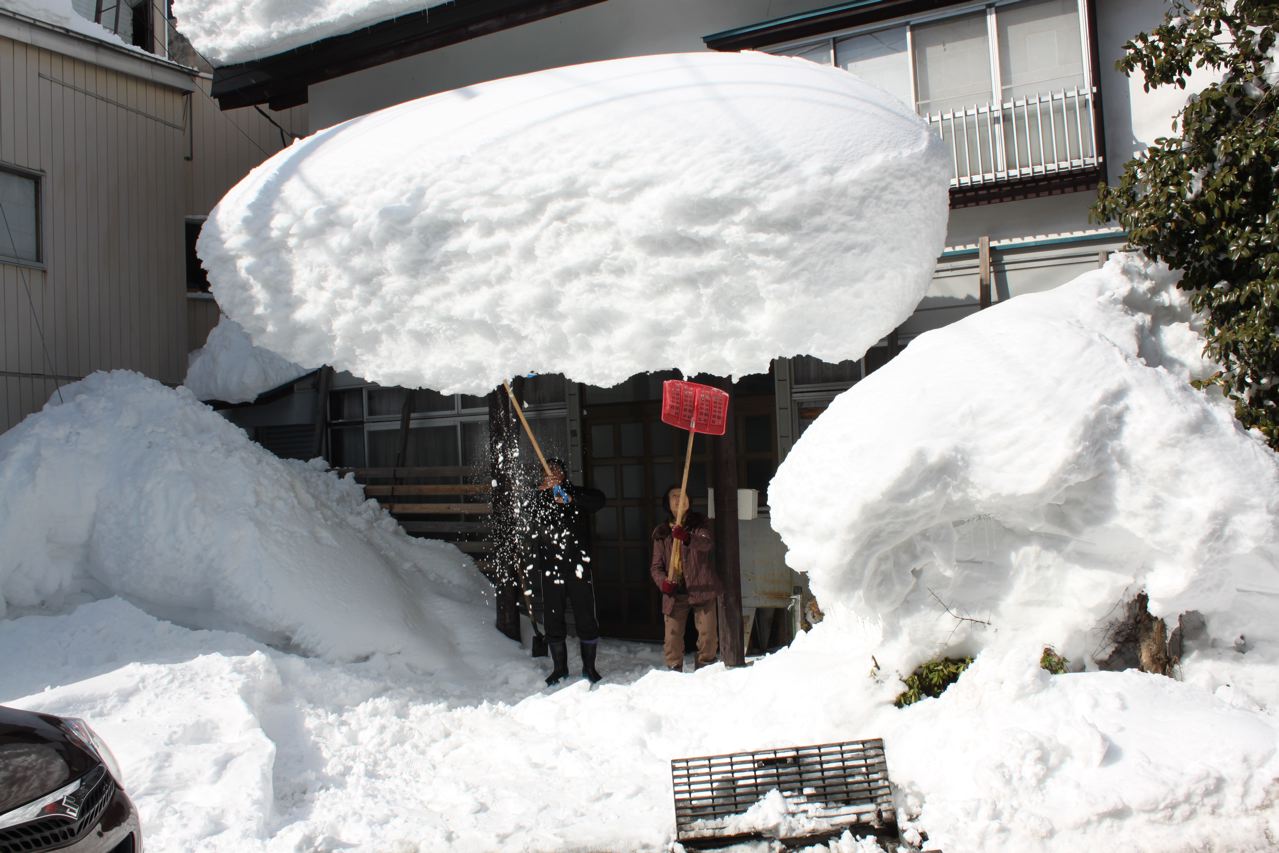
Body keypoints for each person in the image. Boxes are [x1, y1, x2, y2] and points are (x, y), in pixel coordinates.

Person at [526, 457, 606, 685]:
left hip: (578, 567)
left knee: (586, 618)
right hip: (551, 569)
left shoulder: (575, 493)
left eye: (557, 471)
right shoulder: (540, 497)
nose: (553, 474)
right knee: (553, 619)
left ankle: (589, 668)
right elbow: (527, 511)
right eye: (548, 472)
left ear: (564, 474)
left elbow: (599, 501)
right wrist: (541, 494)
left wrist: (570, 497)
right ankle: (559, 668)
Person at [650, 485, 720, 671]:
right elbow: (656, 567)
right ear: (667, 504)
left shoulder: (699, 524)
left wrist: (687, 537)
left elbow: (706, 544)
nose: (679, 498)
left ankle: (705, 669)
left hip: (701, 587)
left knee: (708, 635)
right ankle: (674, 671)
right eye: (674, 495)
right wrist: (663, 583)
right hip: (675, 591)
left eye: (683, 495)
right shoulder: (662, 532)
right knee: (672, 638)